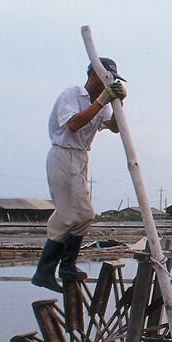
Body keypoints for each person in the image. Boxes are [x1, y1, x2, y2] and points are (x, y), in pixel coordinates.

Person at [32, 58, 127, 292]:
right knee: (83, 213)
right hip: (64, 154)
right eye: (108, 79)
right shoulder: (72, 94)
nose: (111, 83)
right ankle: (65, 266)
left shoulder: (101, 102)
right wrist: (103, 100)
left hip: (81, 156)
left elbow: (115, 126)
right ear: (95, 75)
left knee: (66, 216)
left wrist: (119, 103)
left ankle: (45, 272)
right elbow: (73, 124)